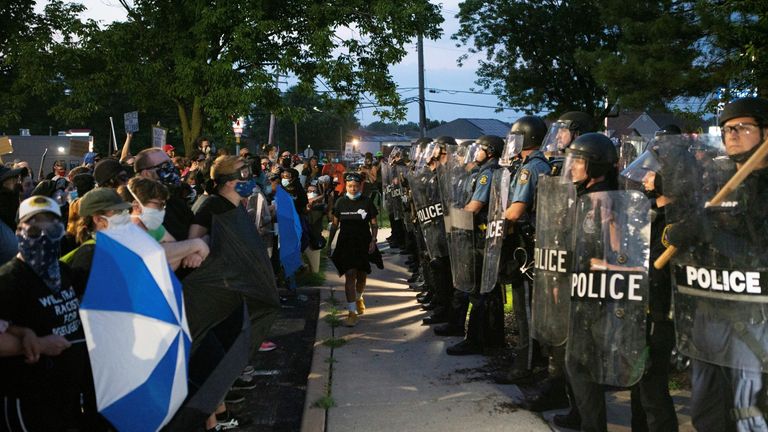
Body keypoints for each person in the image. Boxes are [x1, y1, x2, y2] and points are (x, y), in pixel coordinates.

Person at [664, 97, 768, 432]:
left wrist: (709, 232)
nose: (732, 134)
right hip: (711, 314)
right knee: (707, 412)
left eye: (742, 127)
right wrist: (682, 232)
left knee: (751, 414)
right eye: (726, 129)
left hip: (756, 321)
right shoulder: (717, 181)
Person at [0, 196, 100, 431]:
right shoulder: (9, 280)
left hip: (67, 397)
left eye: (52, 228)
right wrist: (41, 345)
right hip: (28, 402)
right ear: (18, 233)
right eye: (34, 230)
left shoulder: (63, 273)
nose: (43, 237)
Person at [494, 116, 552, 383]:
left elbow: (516, 211)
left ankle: (525, 366)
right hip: (532, 244)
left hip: (525, 247)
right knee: (528, 306)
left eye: (515, 138)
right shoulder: (533, 165)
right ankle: (536, 360)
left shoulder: (531, 168)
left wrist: (497, 218)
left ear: (525, 138)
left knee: (524, 308)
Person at [446, 135, 503, 355]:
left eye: (480, 149)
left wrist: (452, 222)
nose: (476, 152)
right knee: (483, 288)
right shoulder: (483, 172)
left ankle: (477, 340)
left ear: (490, 152)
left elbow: (475, 207)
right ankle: (491, 338)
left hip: (480, 237)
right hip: (480, 236)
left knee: (479, 290)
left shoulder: (486, 175)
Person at [327, 172, 379, 327]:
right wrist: (329, 244)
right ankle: (351, 312)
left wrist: (373, 240)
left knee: (361, 275)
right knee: (350, 274)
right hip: (346, 242)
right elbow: (335, 225)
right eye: (350, 186)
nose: (353, 189)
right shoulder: (340, 203)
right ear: (346, 186)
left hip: (363, 241)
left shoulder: (367, 202)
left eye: (356, 186)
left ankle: (359, 297)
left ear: (360, 186)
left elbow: (374, 223)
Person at [134, 148, 193, 241]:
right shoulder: (140, 207)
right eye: (165, 166)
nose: (172, 168)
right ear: (146, 173)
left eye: (171, 163)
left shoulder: (174, 200)